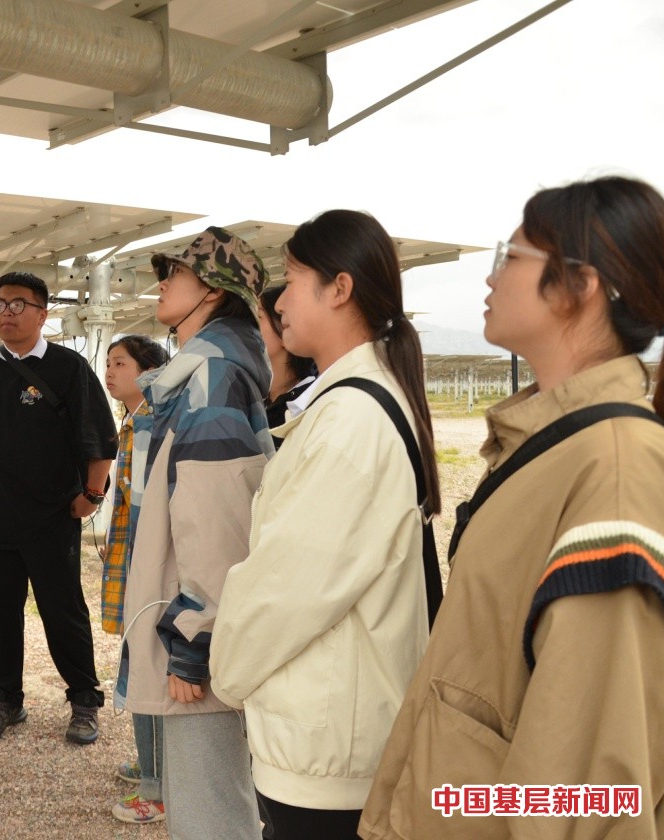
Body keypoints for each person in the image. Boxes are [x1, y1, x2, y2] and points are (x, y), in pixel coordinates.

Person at [360, 177, 664, 840]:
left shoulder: (613, 469)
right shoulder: (560, 446)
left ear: (579, 285)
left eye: (511, 255)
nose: (491, 277)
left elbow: (588, 786)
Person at [210, 210, 440, 840]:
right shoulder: (357, 400)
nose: (278, 299)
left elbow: (289, 587)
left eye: (292, 277)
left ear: (339, 288)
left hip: (327, 745)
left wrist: (225, 668)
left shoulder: (348, 421)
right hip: (334, 728)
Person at [118, 227, 273, 839]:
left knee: (209, 810)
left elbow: (214, 525)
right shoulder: (205, 373)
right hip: (193, 618)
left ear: (214, 290)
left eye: (175, 273)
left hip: (196, 632)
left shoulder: (210, 380)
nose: (161, 283)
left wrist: (194, 640)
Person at [0, 272, 118, 744]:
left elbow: (100, 439)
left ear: (43, 314)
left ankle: (85, 699)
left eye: (18, 305)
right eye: (0, 304)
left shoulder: (68, 368)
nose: (7, 313)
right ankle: (5, 699)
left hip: (52, 518)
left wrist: (91, 495)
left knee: (62, 610)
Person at [101, 334, 169, 825]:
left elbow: (149, 510)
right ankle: (152, 767)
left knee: (147, 667)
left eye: (120, 363)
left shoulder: (149, 424)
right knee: (140, 663)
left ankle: (159, 787)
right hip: (137, 564)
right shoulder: (134, 422)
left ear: (148, 370)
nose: (110, 371)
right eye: (108, 363)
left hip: (149, 572)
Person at [257, 283, 316, 432]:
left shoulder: (308, 405)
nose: (247, 326)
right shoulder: (255, 401)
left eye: (258, 317)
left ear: (287, 327)